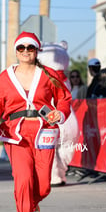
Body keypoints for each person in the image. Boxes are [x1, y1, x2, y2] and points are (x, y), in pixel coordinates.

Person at [0, 31, 71, 212]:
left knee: (43, 186)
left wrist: (60, 113)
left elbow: (64, 99)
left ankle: (32, 204)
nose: (25, 52)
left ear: (36, 50)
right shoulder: (5, 77)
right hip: (15, 135)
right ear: (16, 51)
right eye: (21, 48)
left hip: (44, 131)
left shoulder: (49, 74)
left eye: (30, 48)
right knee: (23, 181)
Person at [37, 41, 80, 187]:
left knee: (70, 137)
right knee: (49, 143)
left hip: (64, 114)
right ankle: (53, 175)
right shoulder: (40, 78)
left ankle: (59, 173)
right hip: (46, 115)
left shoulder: (64, 79)